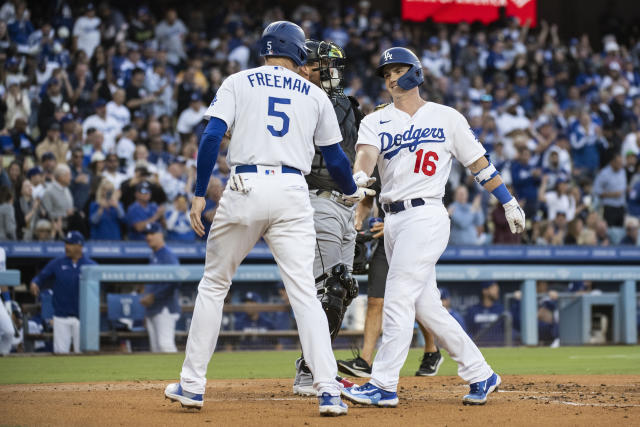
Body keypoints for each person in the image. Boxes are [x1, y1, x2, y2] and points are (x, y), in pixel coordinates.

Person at [164, 21, 372, 416]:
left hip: (246, 184)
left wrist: (197, 194)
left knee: (213, 285)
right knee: (305, 294)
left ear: (265, 49)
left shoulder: (239, 81)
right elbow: (336, 159)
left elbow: (211, 138)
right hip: (293, 192)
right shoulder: (313, 93)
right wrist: (350, 191)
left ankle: (192, 385)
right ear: (296, 52)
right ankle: (327, 390)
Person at [341, 47, 524, 408]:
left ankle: (383, 384)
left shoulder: (446, 117)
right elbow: (364, 155)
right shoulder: (376, 120)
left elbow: (479, 164)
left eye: (397, 69)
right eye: (386, 72)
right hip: (392, 220)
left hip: (425, 216)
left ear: (415, 72)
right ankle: (481, 373)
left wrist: (507, 200)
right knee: (427, 308)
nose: (391, 77)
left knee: (396, 297)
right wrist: (358, 177)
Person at [291, 39, 362, 396]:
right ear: (305, 66)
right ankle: (310, 373)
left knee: (344, 290)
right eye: (324, 65)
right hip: (316, 201)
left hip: (349, 206)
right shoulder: (298, 101)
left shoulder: (350, 106)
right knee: (328, 289)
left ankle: (317, 366)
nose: (331, 72)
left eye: (333, 66)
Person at [337, 166, 445, 379]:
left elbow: (426, 203)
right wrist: (358, 219)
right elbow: (368, 199)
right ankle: (365, 361)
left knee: (417, 300)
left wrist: (394, 224)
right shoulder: (379, 160)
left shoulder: (415, 161)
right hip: (382, 238)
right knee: (376, 300)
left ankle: (431, 350)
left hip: (413, 236)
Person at [29, 231, 97, 353]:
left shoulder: (91, 265)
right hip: (61, 316)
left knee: (84, 355)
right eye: (66, 243)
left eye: (70, 244)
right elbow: (41, 276)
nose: (66, 247)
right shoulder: (58, 263)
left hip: (83, 318)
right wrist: (35, 283)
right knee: (60, 354)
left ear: (79, 246)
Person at [139, 222, 181, 352]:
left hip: (165, 309)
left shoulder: (167, 255)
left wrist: (154, 295)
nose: (148, 237)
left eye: (152, 233)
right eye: (147, 234)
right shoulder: (154, 255)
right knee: (156, 349)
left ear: (160, 235)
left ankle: (180, 372)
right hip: (153, 310)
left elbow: (177, 279)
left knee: (165, 345)